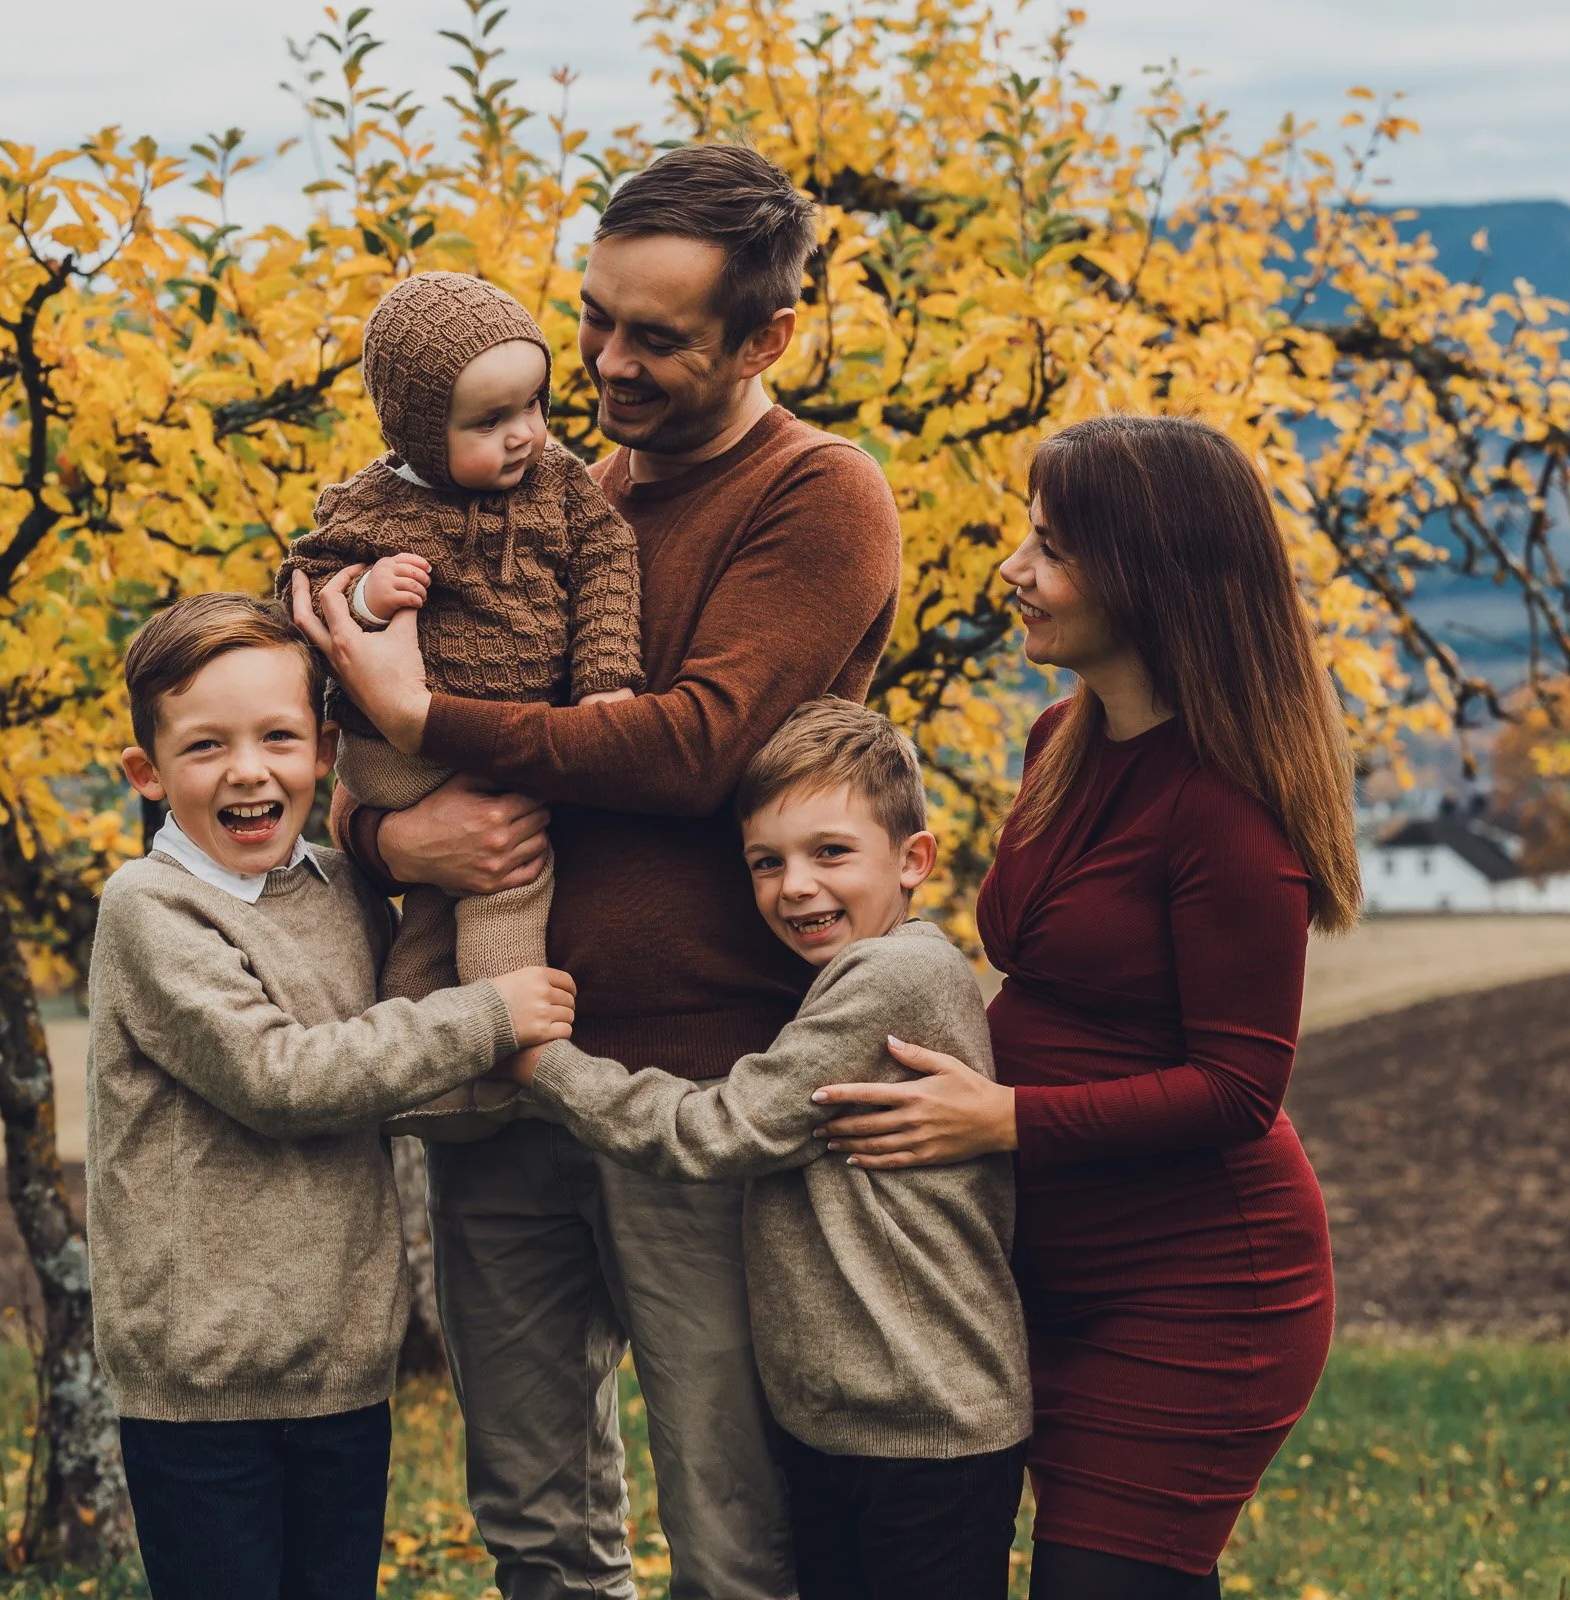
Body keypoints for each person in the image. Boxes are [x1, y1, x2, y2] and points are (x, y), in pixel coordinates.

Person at [291, 143, 902, 1600]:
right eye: (593, 318)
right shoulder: (537, 482)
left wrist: (421, 717)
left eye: (657, 337)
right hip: (500, 1065)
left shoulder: (818, 496)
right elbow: (364, 756)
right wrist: (387, 834)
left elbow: (693, 746)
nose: (608, 364)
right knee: (534, 1518)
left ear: (766, 339)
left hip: (698, 1083)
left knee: (728, 1520)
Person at [810, 415, 1364, 1600]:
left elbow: (1238, 1088)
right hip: (1045, 1266)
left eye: (1050, 548)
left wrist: (1002, 1118)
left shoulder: (1228, 810)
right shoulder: (1060, 738)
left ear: (1147, 573)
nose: (1012, 569)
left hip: (1198, 1286)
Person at [86, 592, 578, 1600]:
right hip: (204, 1378)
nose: (248, 770)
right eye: (206, 746)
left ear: (324, 751)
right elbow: (282, 1079)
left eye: (277, 737)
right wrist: (488, 1016)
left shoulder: (341, 888)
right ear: (147, 772)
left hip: (343, 1360)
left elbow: (389, 1065)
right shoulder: (153, 908)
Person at [505, 697, 1031, 1600]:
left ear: (914, 859)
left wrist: (546, 1066)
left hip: (927, 1429)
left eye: (831, 853)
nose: (795, 886)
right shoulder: (846, 976)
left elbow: (715, 1129)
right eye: (766, 862)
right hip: (845, 1423)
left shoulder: (894, 975)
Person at [277, 271, 643, 1139]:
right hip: (398, 754)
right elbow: (302, 586)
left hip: (507, 738)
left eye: (534, 405)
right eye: (489, 421)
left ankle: (428, 1078)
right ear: (417, 430)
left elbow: (609, 561)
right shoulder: (372, 505)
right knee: (511, 875)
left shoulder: (559, 485)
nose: (524, 434)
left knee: (441, 911)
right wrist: (365, 596)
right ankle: (499, 1033)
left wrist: (604, 677)